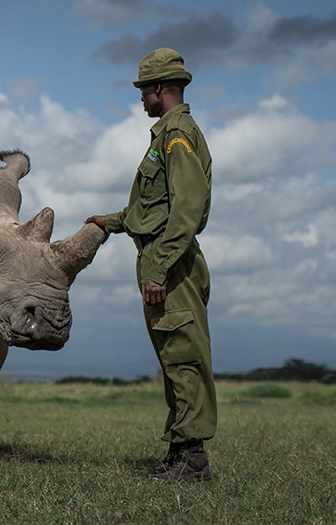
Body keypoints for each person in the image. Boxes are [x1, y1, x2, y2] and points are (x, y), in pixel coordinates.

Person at [85, 47, 216, 482]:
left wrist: (158, 268)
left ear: (160, 89)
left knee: (183, 358)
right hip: (162, 255)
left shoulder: (177, 135)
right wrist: (114, 221)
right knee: (172, 360)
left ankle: (193, 462)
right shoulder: (167, 135)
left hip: (170, 261)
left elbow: (187, 209)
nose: (141, 98)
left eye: (144, 90)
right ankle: (181, 455)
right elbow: (153, 206)